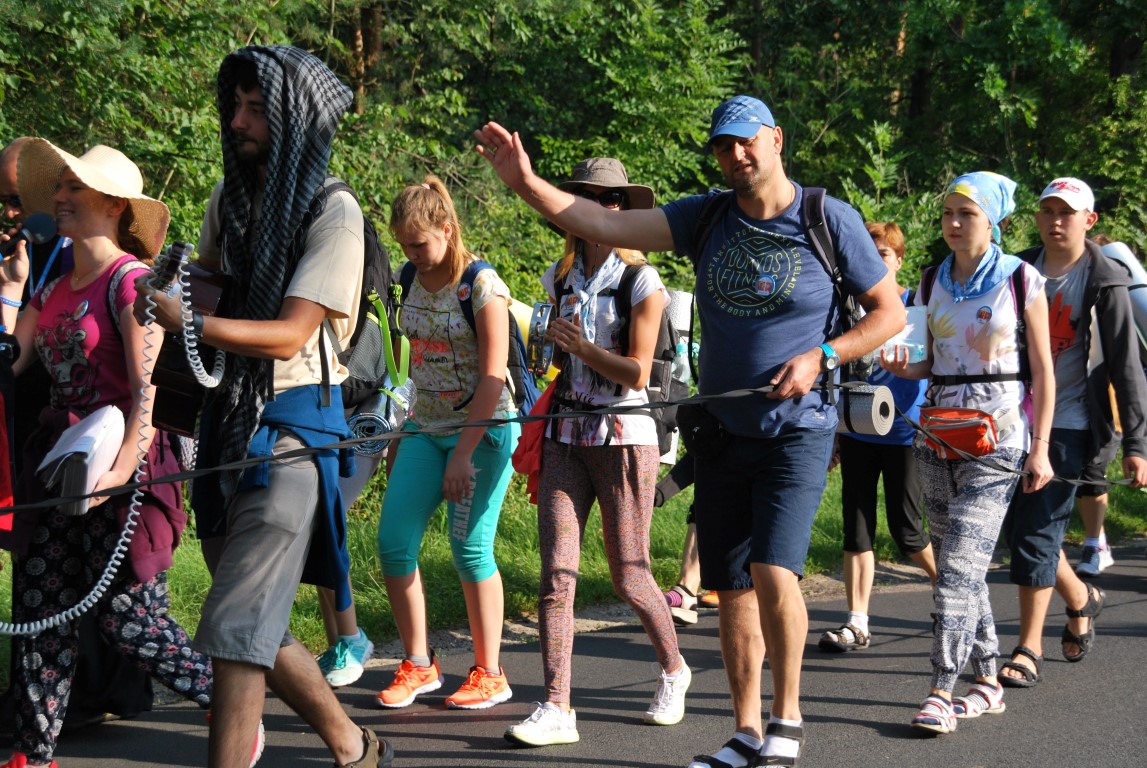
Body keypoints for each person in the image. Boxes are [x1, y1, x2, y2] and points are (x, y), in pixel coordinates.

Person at [476, 94, 904, 768]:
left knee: (772, 571)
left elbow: (889, 313)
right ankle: (744, 732)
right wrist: (525, 183)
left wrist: (822, 356)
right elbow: (597, 219)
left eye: (745, 141)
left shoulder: (825, 218)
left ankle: (786, 721)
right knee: (729, 586)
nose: (735, 154)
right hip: (722, 429)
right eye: (723, 146)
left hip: (797, 428)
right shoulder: (706, 217)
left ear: (775, 139)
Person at [136, 46, 392, 768]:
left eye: (257, 110)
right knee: (251, 618)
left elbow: (288, 335)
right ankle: (352, 743)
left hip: (292, 434)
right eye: (236, 106)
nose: (238, 122)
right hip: (225, 425)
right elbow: (206, 281)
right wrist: (163, 281)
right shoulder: (229, 198)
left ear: (295, 123)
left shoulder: (335, 212)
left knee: (236, 620)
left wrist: (186, 319)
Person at [0, 139, 217, 768]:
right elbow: (12, 362)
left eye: (75, 188)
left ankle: (228, 697)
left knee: (129, 620)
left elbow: (149, 393)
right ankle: (34, 752)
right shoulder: (51, 288)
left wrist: (121, 473)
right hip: (61, 463)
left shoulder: (132, 284)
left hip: (127, 467)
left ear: (114, 205)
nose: (60, 198)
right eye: (60, 187)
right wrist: (12, 290)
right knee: (41, 610)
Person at [502, 158, 690, 746]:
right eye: (588, 197)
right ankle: (557, 705)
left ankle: (674, 669)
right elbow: (559, 360)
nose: (601, 208)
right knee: (556, 575)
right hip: (566, 434)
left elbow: (637, 373)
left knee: (629, 574)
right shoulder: (560, 278)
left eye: (611, 199)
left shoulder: (643, 282)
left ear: (624, 209)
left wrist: (582, 347)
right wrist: (553, 350)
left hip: (623, 438)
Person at [884, 171, 1055, 734]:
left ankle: (941, 688)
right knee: (965, 567)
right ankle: (987, 682)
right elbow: (924, 362)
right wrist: (897, 363)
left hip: (999, 437)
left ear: (994, 220)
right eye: (948, 214)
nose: (954, 224)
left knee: (957, 567)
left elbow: (1043, 372)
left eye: (968, 214)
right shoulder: (929, 280)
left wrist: (1041, 447)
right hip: (936, 436)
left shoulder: (1021, 279)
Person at [374, 176, 520, 712]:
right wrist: (400, 431)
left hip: (483, 433)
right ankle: (419, 664)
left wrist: (463, 453)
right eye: (404, 245)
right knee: (393, 542)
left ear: (447, 229)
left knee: (469, 549)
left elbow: (493, 377)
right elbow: (408, 360)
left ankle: (490, 673)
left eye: (419, 243)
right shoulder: (407, 278)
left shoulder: (482, 286)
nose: (411, 254)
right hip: (424, 427)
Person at [999, 178, 1147, 689]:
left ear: (1090, 220)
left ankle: (1028, 648)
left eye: (1067, 212)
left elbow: (1127, 367)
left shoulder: (1105, 280)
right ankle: (1082, 598)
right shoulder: (1015, 269)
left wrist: (1137, 445)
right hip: (1011, 419)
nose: (1056, 220)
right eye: (1048, 210)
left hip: (1071, 423)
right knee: (1018, 532)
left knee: (1037, 533)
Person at [818, 222, 937, 653]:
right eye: (869, 253)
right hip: (856, 430)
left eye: (884, 254)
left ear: (899, 260)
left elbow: (924, 369)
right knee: (857, 528)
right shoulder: (848, 308)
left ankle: (951, 592)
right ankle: (857, 622)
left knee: (907, 531)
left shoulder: (913, 305)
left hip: (904, 432)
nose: (875, 261)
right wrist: (834, 430)